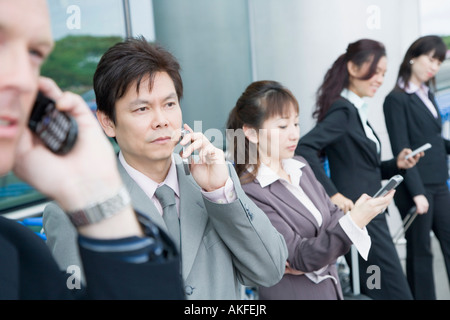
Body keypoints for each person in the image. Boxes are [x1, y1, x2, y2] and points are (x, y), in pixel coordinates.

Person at [42, 37, 288, 300]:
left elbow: (270, 270)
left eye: (169, 104)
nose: (161, 121)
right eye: (142, 108)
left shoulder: (215, 182)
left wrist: (220, 192)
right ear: (107, 122)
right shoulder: (74, 213)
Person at [0, 0, 184, 299]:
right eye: (141, 108)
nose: (23, 80)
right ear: (108, 122)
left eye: (34, 53)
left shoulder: (22, 260)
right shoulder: (43, 238)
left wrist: (96, 196)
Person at [226, 80, 396, 300]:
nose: (294, 134)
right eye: (282, 126)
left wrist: (327, 245)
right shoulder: (251, 191)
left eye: (296, 124)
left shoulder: (300, 166)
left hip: (329, 289)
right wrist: (351, 223)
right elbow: (299, 256)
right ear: (251, 133)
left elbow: (333, 217)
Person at [295, 39, 423, 300]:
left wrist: (396, 164)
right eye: (375, 71)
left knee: (376, 288)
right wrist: (333, 195)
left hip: (370, 218)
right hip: (362, 219)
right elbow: (305, 148)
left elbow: (365, 167)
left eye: (384, 74)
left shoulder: (355, 112)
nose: (379, 79)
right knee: (388, 290)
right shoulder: (343, 111)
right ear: (353, 68)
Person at [383, 35, 450, 300]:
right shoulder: (396, 99)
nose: (434, 66)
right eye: (430, 59)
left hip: (439, 184)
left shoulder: (427, 93)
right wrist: (418, 192)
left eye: (439, 62)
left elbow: (432, 141)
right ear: (413, 56)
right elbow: (403, 151)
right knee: (420, 253)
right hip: (416, 187)